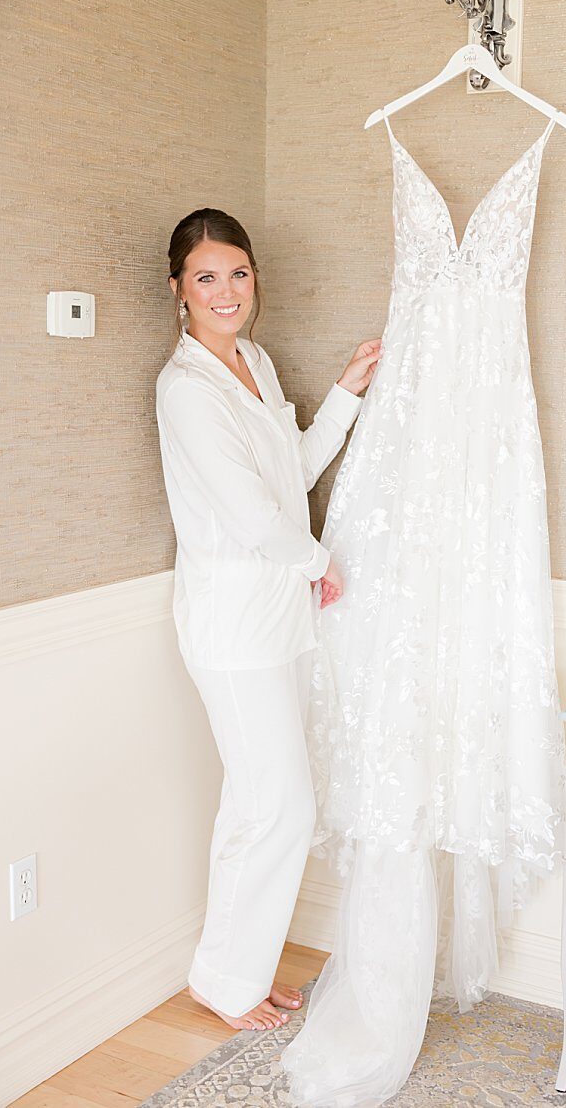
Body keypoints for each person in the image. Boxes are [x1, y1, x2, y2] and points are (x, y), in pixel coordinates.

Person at [155, 208, 381, 1031]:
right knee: (277, 806)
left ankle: (231, 971)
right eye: (206, 276)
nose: (226, 291)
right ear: (177, 288)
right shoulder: (184, 389)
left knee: (261, 803)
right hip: (231, 624)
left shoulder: (256, 361)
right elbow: (253, 516)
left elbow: (295, 474)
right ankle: (227, 979)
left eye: (238, 273)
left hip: (277, 617)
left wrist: (348, 392)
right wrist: (321, 565)